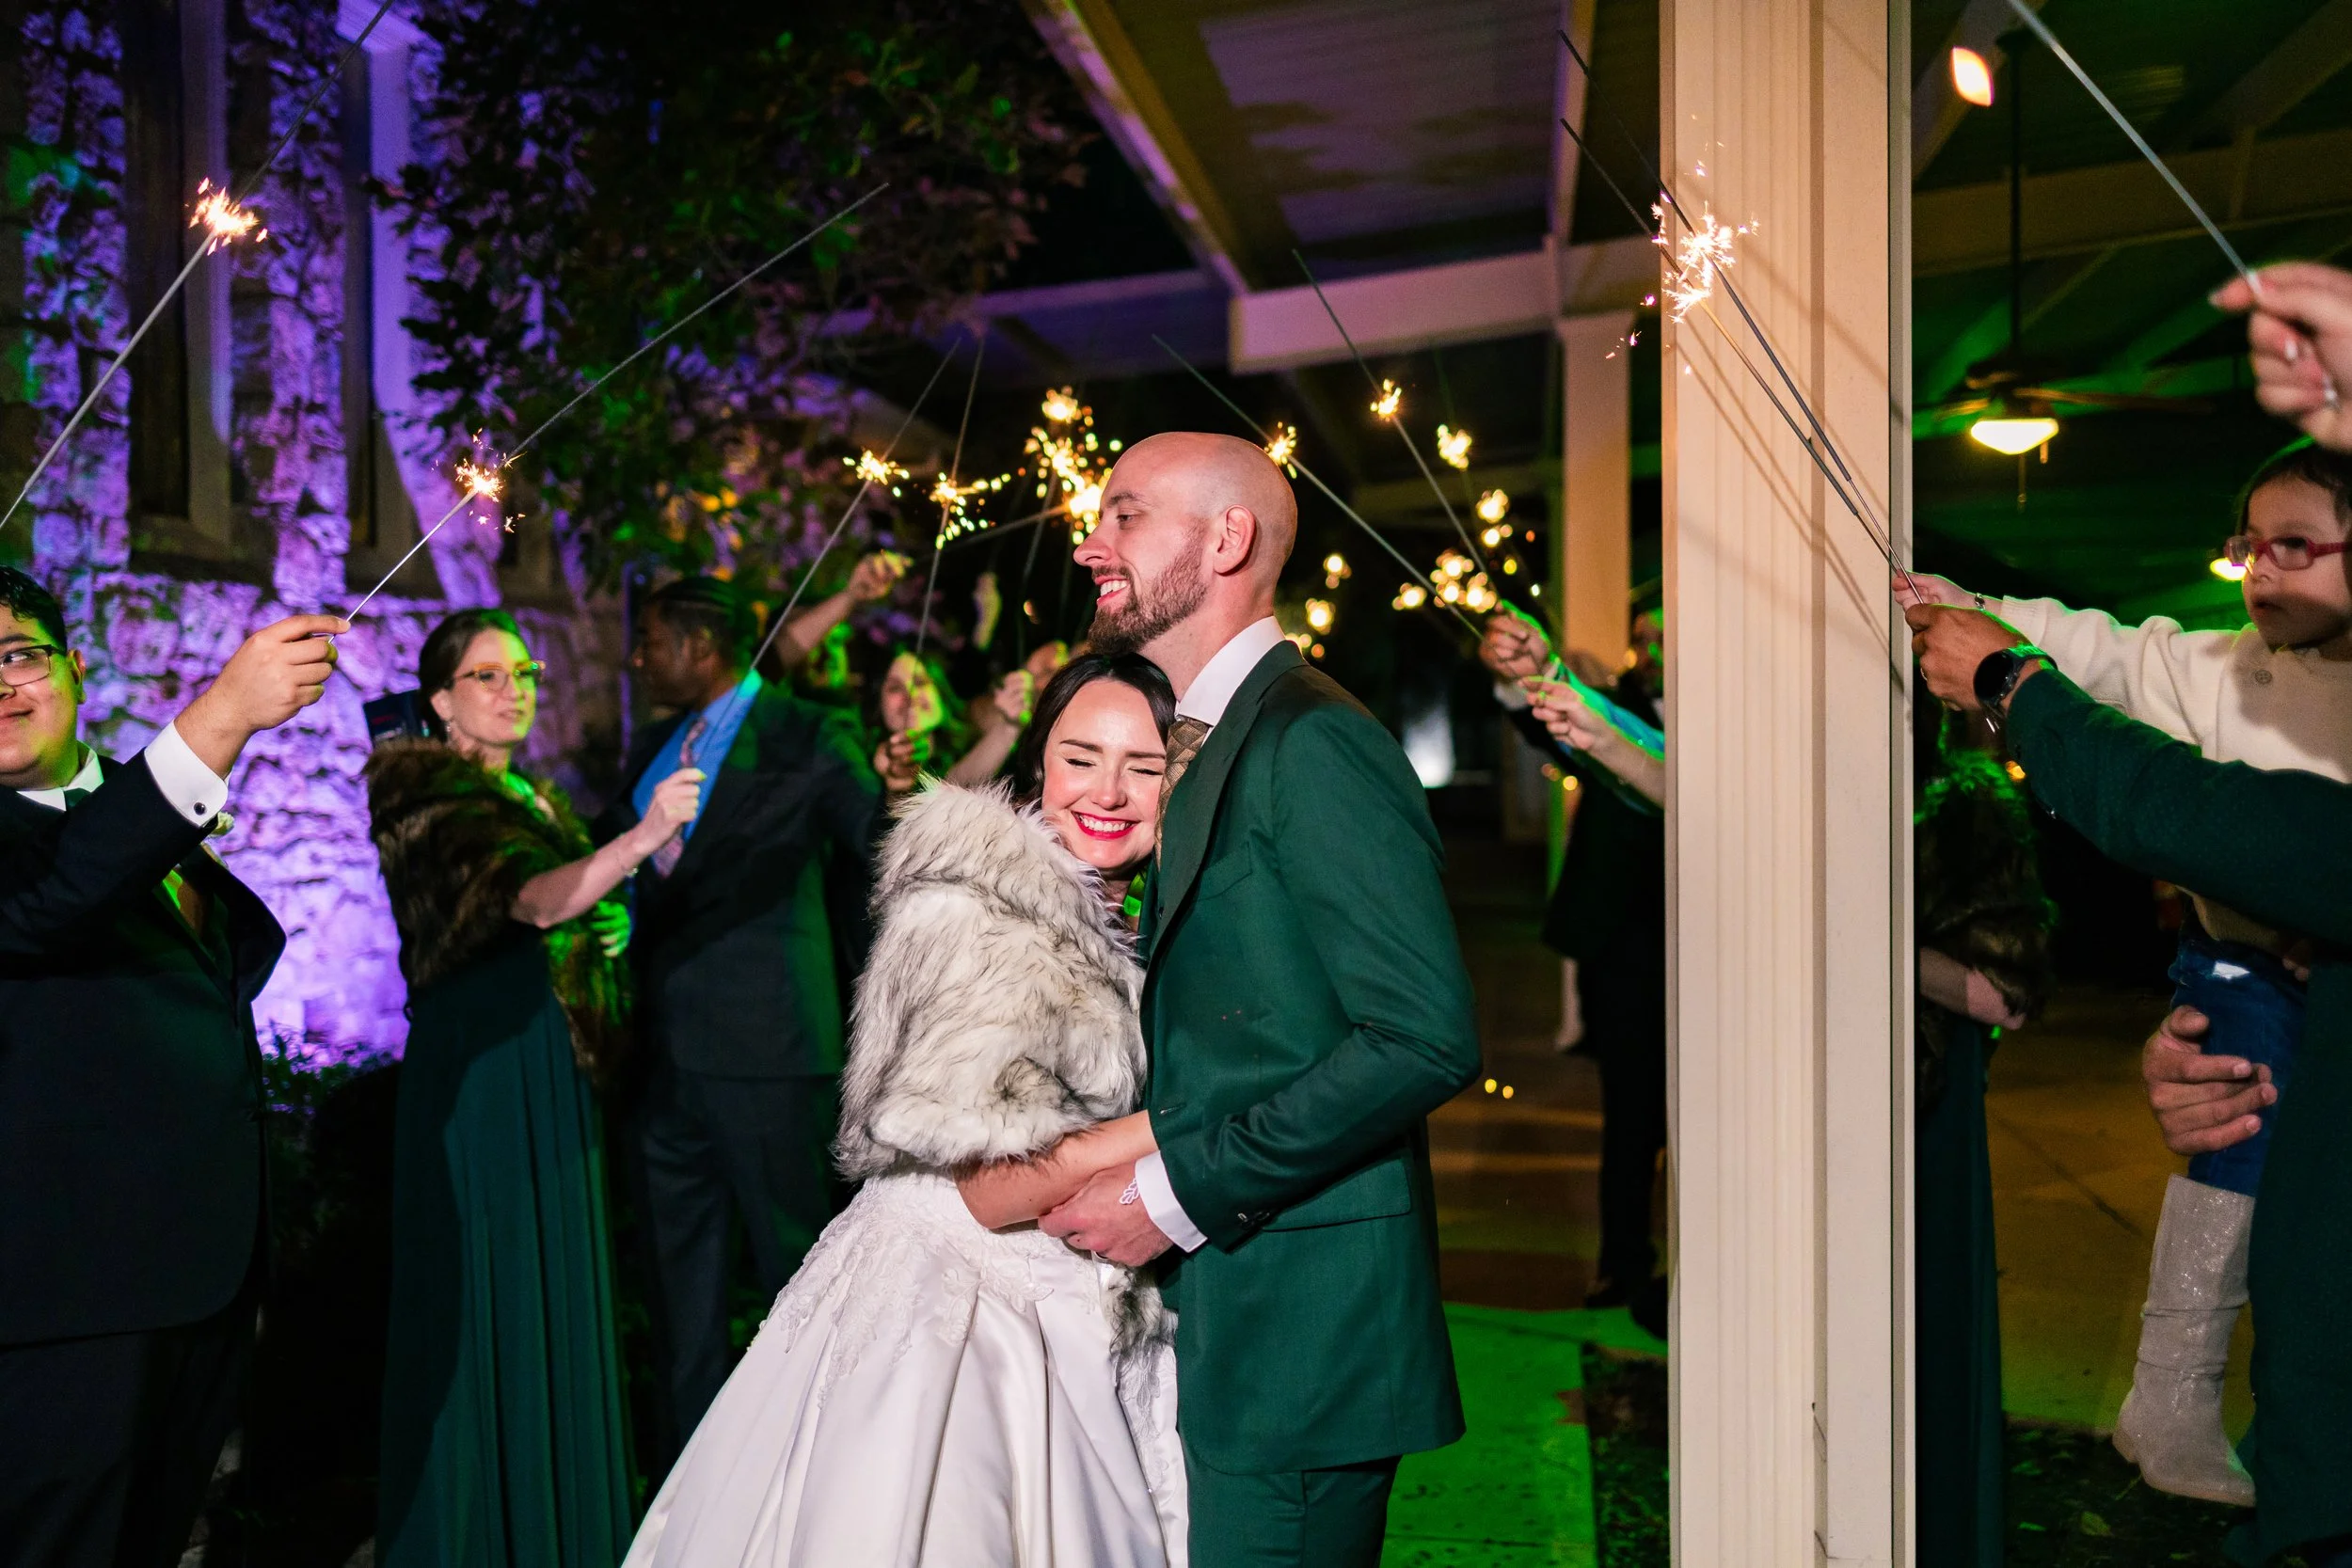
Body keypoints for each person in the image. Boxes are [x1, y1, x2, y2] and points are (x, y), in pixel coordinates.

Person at [624, 654, 1186, 1566]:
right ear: (1037, 762)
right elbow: (986, 1190)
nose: (1110, 790)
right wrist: (1193, 1111)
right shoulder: (980, 915)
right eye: (1081, 757)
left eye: (1144, 764)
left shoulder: (1127, 905)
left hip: (1073, 1298)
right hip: (963, 1313)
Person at [1045, 431, 1483, 1566]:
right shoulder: (1200, 737)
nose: (1092, 545)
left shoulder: (1312, 738)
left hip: (1303, 1333)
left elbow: (1421, 1036)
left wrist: (1177, 1189)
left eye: (1126, 515)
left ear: (1226, 537)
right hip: (1229, 1314)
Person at [1896, 438, 2352, 1504]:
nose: (2261, 573)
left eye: (2296, 545)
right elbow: (2090, 648)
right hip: (2240, 964)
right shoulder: (2214, 664)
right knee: (2233, 1136)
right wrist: (1963, 604)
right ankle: (2173, 1392)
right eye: (2249, 546)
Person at [0, 567, 345, 1566]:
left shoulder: (118, 811)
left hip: (194, 1281)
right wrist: (221, 718)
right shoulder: (88, 833)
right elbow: (56, 893)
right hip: (60, 1304)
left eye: (19, 655)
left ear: (72, 664)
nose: (4, 687)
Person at [364, 607, 702, 1566]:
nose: (513, 687)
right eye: (485, 675)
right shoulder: (420, 795)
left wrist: (606, 938)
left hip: (550, 1066)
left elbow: (565, 911)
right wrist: (639, 841)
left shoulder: (532, 794)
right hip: (483, 1071)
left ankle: (561, 1525)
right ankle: (475, 1532)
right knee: (482, 1299)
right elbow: (530, 898)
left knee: (556, 1288)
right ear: (440, 700)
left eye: (522, 671)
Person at [603, 574, 914, 1464]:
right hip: (661, 1066)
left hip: (771, 1060)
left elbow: (878, 838)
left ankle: (825, 1473)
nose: (636, 656)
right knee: (678, 1305)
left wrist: (896, 788)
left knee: (801, 1281)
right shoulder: (660, 742)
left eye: (650, 638)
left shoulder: (808, 732)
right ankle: (691, 1494)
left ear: (699, 648)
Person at [1481, 608, 1670, 1331]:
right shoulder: (1616, 706)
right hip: (1624, 951)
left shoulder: (1739, 711)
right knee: (1630, 1118)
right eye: (1642, 636)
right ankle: (1622, 1262)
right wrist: (1523, 673)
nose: (1648, 647)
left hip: (1710, 949)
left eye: (1662, 635)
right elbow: (1549, 720)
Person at [1908, 703, 2054, 1568]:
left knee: (1927, 1337)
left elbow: (2008, 995)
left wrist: (1866, 936)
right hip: (1821, 1110)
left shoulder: (1967, 807)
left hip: (1922, 1109)